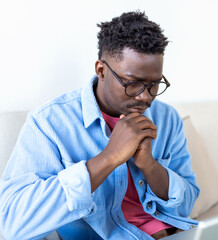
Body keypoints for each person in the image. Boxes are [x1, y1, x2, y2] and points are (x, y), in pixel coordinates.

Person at [0, 11, 199, 240]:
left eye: (154, 84)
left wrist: (150, 166)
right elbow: (13, 225)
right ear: (101, 70)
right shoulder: (49, 124)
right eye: (133, 84)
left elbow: (187, 205)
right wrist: (109, 158)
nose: (145, 97)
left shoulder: (168, 118)